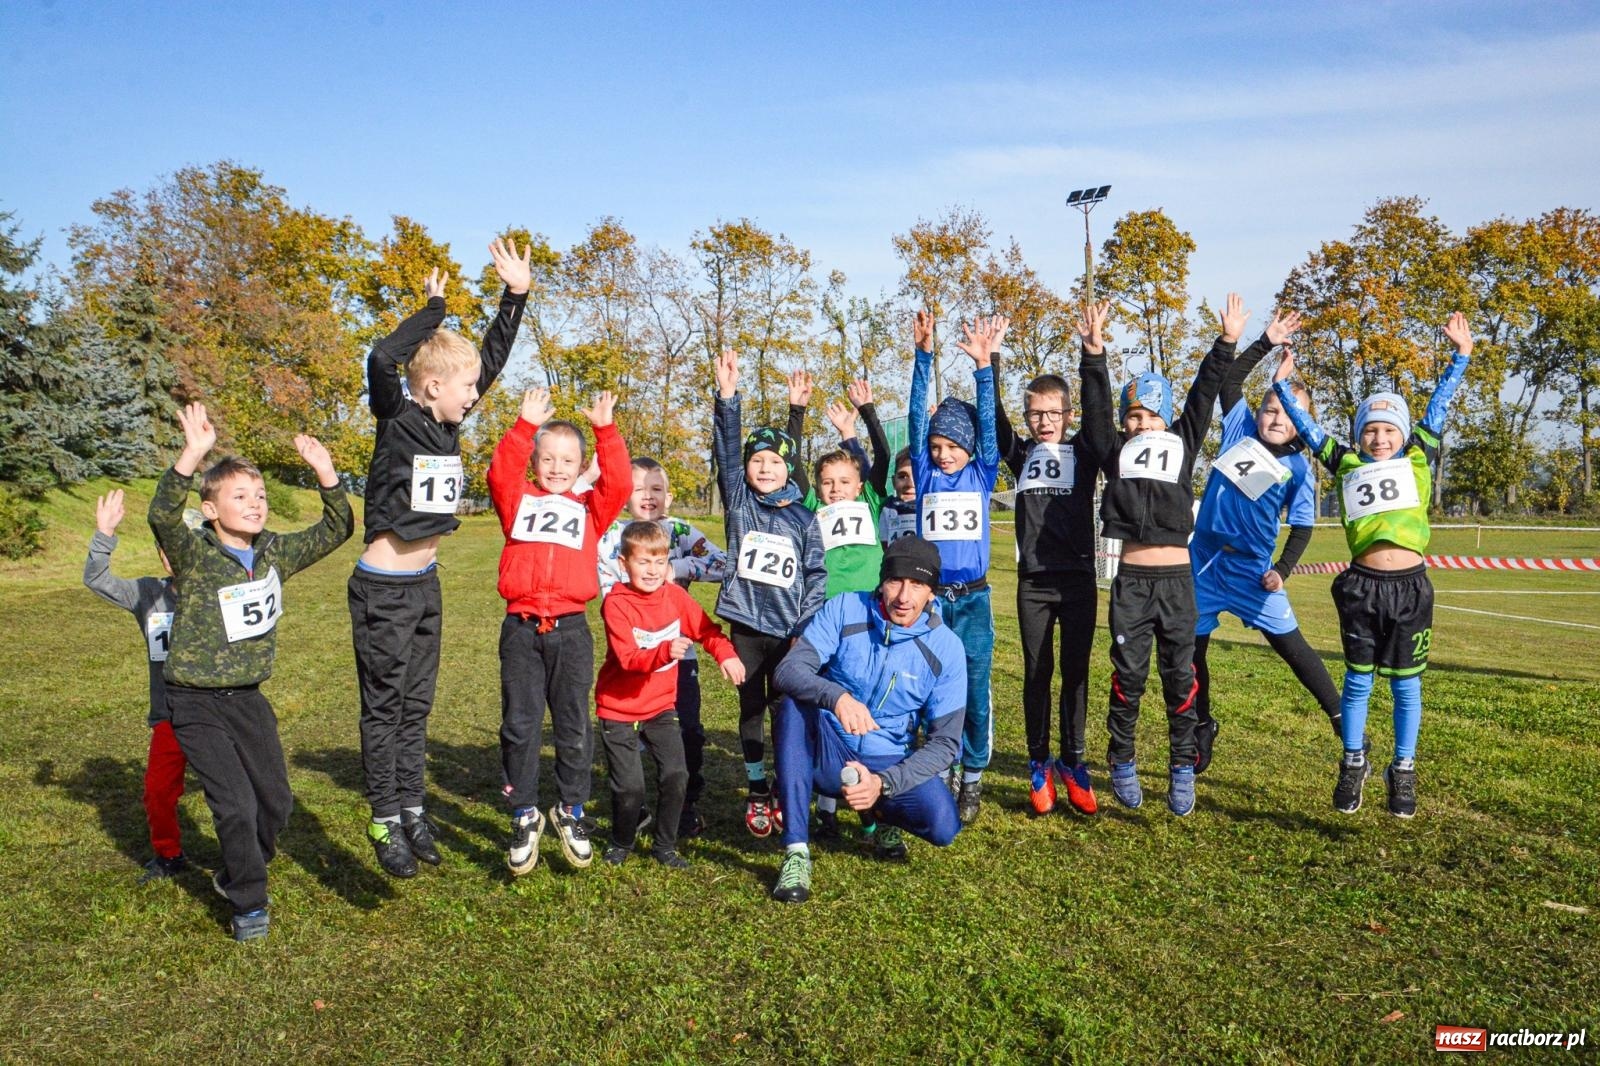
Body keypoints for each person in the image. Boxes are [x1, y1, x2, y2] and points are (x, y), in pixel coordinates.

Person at [349, 242, 531, 879]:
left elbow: (492, 360)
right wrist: (433, 310)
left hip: (426, 584)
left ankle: (411, 808)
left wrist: (515, 298)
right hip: (383, 590)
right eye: (466, 387)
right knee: (386, 706)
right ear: (431, 387)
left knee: (416, 707)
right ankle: (382, 816)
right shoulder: (396, 416)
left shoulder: (448, 425)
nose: (476, 395)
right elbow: (382, 356)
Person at [148, 403, 354, 941]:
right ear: (212, 510)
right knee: (235, 805)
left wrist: (326, 472)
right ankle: (249, 904)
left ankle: (239, 867)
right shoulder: (195, 554)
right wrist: (191, 457)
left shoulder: (274, 553)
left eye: (259, 496)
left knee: (275, 804)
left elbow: (337, 527)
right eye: (239, 496)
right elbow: (162, 517)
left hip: (247, 700)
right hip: (194, 699)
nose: (255, 504)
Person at [1271, 312, 1473, 817]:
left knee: (1407, 684)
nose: (1380, 438)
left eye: (1388, 430)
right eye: (1371, 430)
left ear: (1402, 434)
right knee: (1358, 679)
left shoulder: (1419, 456)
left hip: (1410, 588)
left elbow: (1439, 406)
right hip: (1362, 586)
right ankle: (1353, 760)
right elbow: (1310, 430)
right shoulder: (1346, 462)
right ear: (1359, 435)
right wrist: (1282, 386)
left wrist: (1460, 357)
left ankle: (1402, 768)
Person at [1099, 293, 1247, 816]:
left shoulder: (1183, 440)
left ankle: (1182, 764)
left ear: (1166, 418)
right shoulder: (1114, 452)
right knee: (1129, 676)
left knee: (1180, 677)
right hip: (1132, 583)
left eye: (1150, 415)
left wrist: (1225, 343)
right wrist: (1094, 356)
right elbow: (1096, 413)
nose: (1142, 424)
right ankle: (1122, 759)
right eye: (1133, 416)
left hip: (1178, 582)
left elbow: (1204, 395)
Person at [768, 536, 966, 903]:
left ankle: (880, 810)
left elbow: (945, 743)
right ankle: (797, 851)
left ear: (932, 593)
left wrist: (883, 783)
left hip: (886, 760)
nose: (904, 596)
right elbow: (789, 669)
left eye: (918, 584)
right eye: (895, 581)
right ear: (881, 580)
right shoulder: (845, 608)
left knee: (943, 827)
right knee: (793, 704)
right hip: (829, 748)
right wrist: (836, 696)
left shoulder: (947, 649)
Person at [1190, 310, 1344, 773]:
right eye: (1270, 408)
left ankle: (1344, 725)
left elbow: (1302, 526)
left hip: (1254, 573)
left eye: (1287, 412)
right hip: (1204, 564)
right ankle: (1202, 726)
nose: (1276, 418)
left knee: (1293, 648)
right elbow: (1228, 381)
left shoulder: (1299, 468)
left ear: (1302, 423)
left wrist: (1282, 570)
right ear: (1257, 412)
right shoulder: (1237, 429)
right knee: (1189, 652)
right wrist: (1265, 342)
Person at [487, 387, 630, 874]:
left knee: (572, 725)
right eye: (547, 458)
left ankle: (571, 809)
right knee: (520, 724)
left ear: (579, 465)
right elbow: (500, 471)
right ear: (536, 461)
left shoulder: (590, 508)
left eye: (567, 460)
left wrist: (605, 431)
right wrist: (523, 426)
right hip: (521, 630)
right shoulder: (517, 498)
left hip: (570, 629)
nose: (556, 468)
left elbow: (621, 484)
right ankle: (524, 811)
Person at [993, 301, 1116, 815]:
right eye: (1034, 414)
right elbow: (992, 421)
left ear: (1069, 415)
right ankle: (1039, 763)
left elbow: (1103, 419)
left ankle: (1074, 761)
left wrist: (1095, 356)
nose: (1043, 422)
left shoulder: (1086, 452)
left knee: (1077, 671)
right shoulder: (1019, 454)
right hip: (1034, 585)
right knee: (1037, 670)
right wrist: (990, 361)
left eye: (1052, 413)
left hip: (1079, 582)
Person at [712, 349, 828, 837]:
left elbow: (817, 576)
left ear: (789, 471)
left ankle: (784, 785)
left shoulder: (805, 518)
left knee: (786, 712)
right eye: (757, 461)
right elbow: (728, 450)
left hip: (787, 634)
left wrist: (805, 629)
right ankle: (757, 790)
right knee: (750, 710)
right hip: (745, 627)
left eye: (773, 462)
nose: (763, 468)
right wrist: (727, 398)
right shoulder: (740, 501)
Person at [595, 521, 745, 868]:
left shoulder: (675, 596)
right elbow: (629, 659)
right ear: (623, 564)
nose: (652, 570)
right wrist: (665, 651)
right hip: (618, 707)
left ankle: (665, 846)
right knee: (630, 788)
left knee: (676, 775)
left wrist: (726, 654)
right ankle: (621, 840)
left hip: (661, 705)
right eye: (643, 562)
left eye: (659, 562)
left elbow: (707, 631)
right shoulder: (616, 604)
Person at [596, 457, 729, 838]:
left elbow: (723, 563)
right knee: (629, 739)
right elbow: (602, 584)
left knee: (688, 732)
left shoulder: (681, 531)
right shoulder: (612, 536)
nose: (648, 497)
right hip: (630, 657)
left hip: (678, 658)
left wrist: (679, 569)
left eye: (656, 489)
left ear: (668, 497)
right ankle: (633, 804)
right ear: (624, 495)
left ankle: (685, 805)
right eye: (639, 489)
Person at [909, 312, 1001, 822]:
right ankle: (937, 768)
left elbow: (988, 427)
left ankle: (973, 776)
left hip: (974, 599)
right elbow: (915, 415)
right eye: (938, 447)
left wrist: (984, 368)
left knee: (974, 688)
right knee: (930, 686)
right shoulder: (925, 475)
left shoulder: (982, 474)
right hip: (929, 599)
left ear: (969, 451)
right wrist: (924, 355)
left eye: (953, 448)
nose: (943, 455)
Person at [83, 489, 190, 883]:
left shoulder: (218, 592)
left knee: (232, 795)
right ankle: (169, 855)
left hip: (218, 711)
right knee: (158, 791)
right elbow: (96, 579)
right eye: (167, 550)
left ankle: (242, 857)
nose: (173, 557)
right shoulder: (147, 593)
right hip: (170, 715)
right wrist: (104, 534)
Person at [878, 448, 919, 545]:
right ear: (893, 481)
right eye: (903, 476)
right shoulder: (885, 507)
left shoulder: (936, 506)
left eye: (918, 476)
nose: (910, 484)